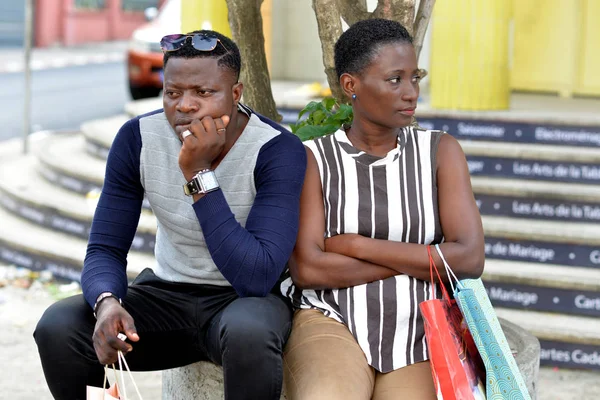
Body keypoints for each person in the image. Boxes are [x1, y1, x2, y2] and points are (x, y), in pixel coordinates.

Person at [34, 29, 306, 400]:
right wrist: (107, 301)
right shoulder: (138, 138)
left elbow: (256, 276)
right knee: (58, 326)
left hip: (241, 303)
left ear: (236, 94)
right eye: (173, 92)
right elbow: (104, 249)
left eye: (203, 93)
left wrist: (198, 175)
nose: (185, 106)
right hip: (165, 296)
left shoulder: (276, 150)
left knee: (249, 333)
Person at [280, 19, 485, 400]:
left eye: (415, 78)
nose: (411, 93)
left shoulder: (440, 153)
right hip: (332, 317)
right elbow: (308, 269)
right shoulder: (315, 159)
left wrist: (358, 246)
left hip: (421, 329)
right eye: (395, 80)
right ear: (350, 85)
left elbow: (469, 258)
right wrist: (424, 259)